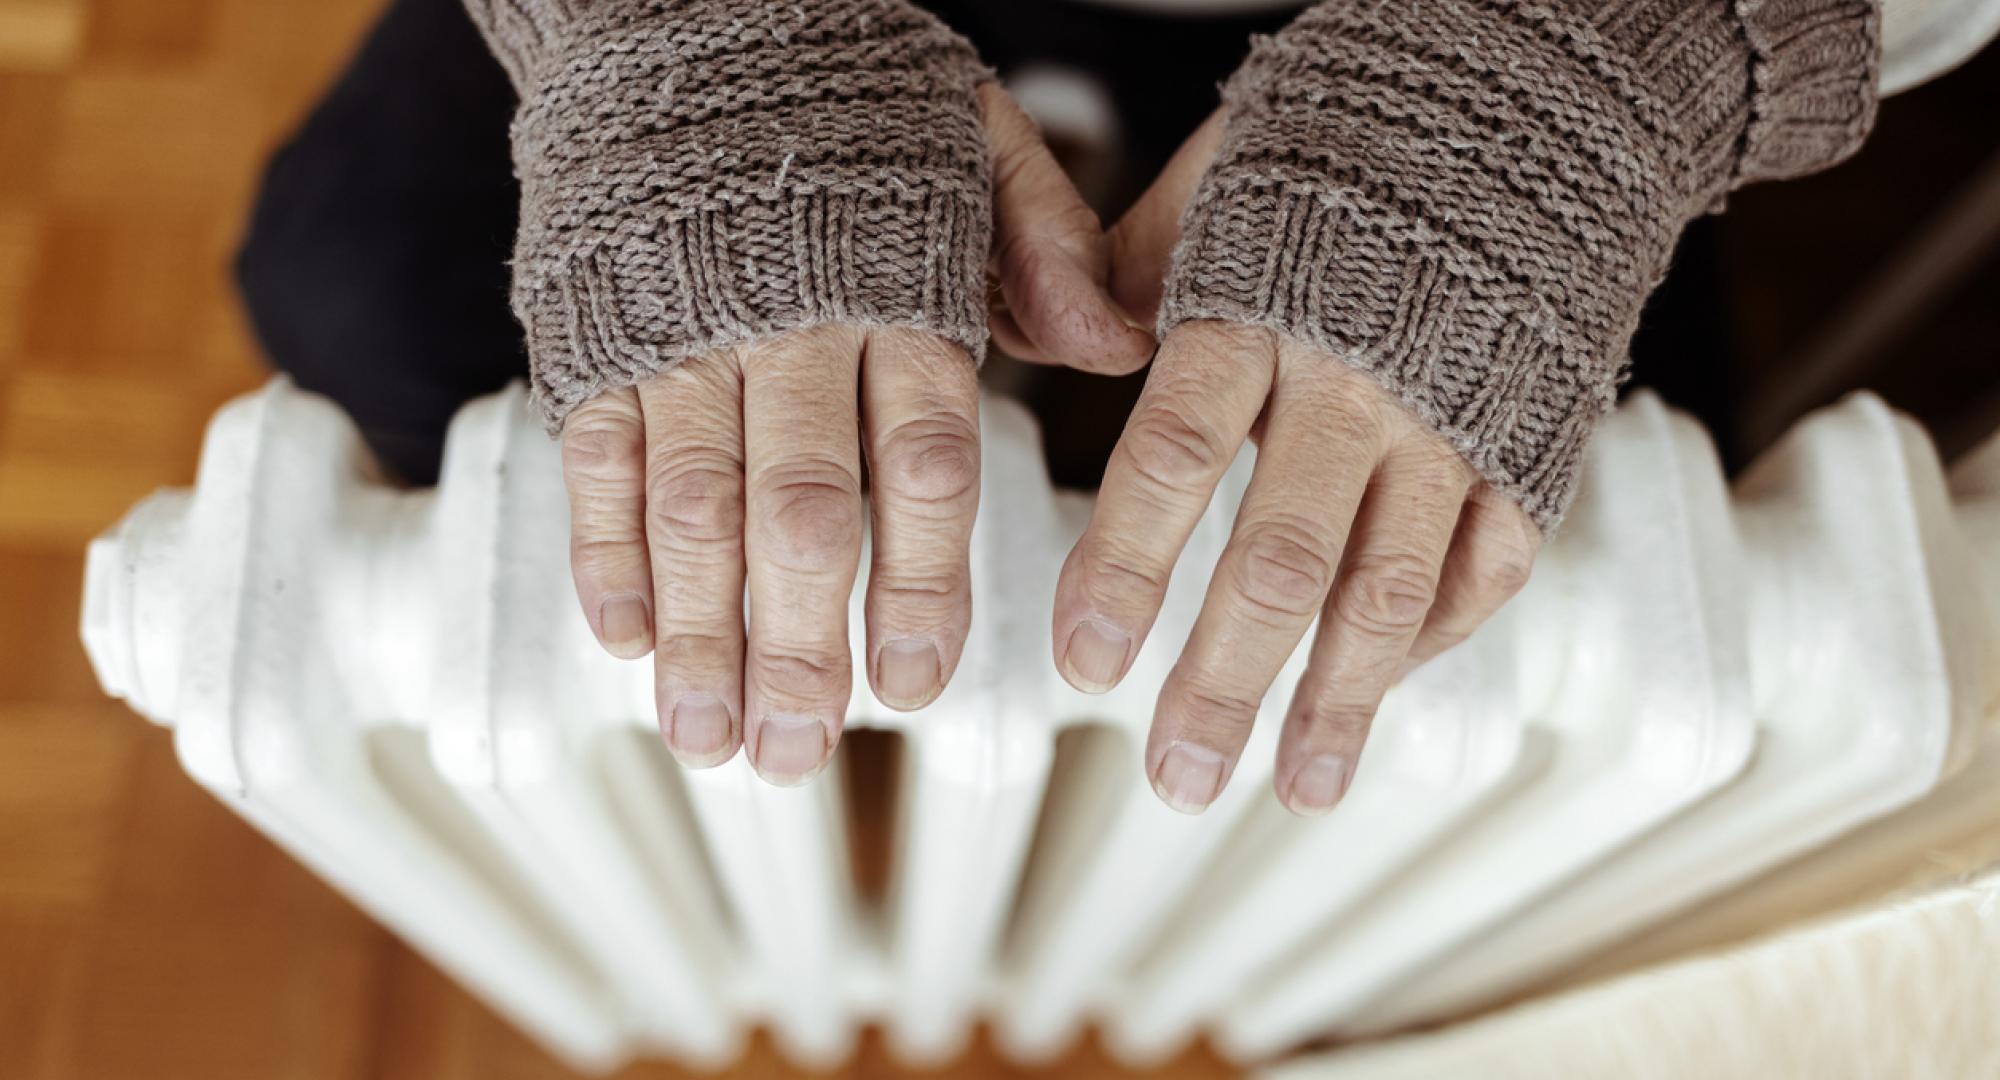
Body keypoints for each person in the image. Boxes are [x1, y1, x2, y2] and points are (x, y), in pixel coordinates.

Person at [237, 0, 1995, 815]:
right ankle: (705, 726)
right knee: (360, 284)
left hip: (1487, 38)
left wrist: (1623, 51)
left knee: (1604, 497)